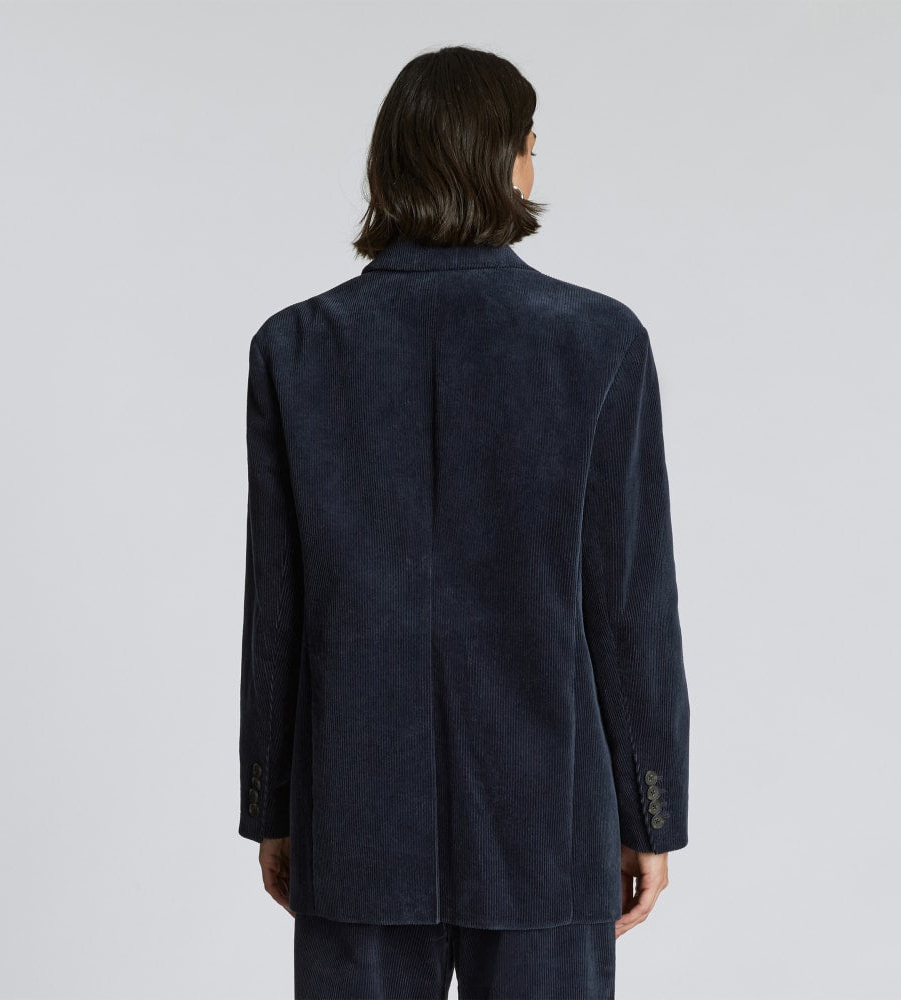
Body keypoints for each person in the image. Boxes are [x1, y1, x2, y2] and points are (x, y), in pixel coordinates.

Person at [238, 44, 691, 1000]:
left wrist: (272, 804)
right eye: (532, 145)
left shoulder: (298, 347)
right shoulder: (600, 341)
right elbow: (627, 607)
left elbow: (277, 605)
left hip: (357, 814)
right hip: (549, 817)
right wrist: (650, 810)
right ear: (506, 160)